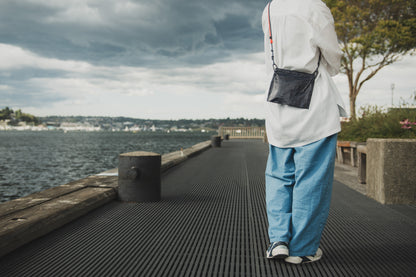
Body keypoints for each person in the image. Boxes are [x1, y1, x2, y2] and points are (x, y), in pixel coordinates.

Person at [262, 0, 347, 264]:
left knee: (279, 177)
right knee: (311, 181)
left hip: (280, 107)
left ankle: (278, 241)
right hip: (315, 110)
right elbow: (333, 56)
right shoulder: (315, 7)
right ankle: (303, 248)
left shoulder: (269, 8)